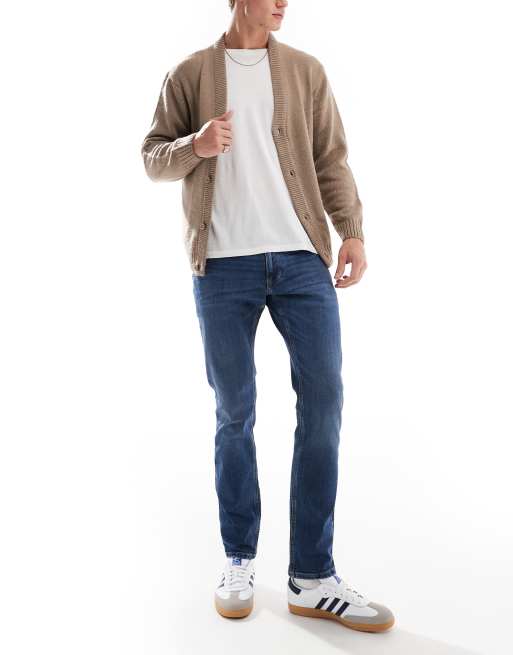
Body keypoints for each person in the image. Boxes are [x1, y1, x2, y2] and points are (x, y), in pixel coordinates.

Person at [141, 0, 395, 633]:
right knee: (235, 412)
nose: (284, 2)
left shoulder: (306, 71)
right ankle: (238, 560)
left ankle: (311, 576)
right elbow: (151, 157)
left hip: (301, 260)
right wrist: (196, 145)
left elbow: (331, 157)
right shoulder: (190, 73)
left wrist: (352, 231)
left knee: (325, 400)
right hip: (223, 265)